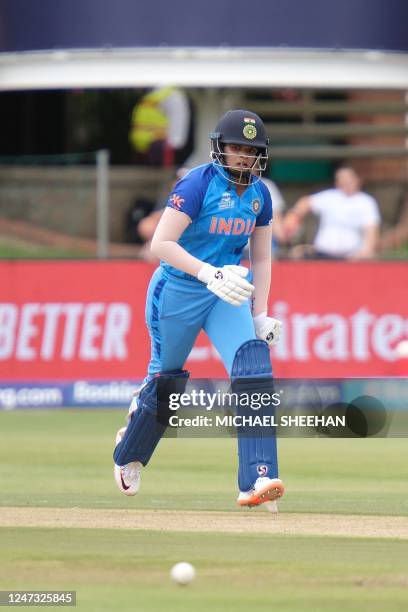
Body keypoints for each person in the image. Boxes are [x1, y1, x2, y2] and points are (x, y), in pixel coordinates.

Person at [113, 109, 285, 512]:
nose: (244, 156)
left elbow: (261, 259)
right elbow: (161, 244)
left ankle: (257, 478)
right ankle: (130, 451)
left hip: (227, 295)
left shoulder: (260, 195)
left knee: (254, 369)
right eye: (237, 148)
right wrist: (209, 273)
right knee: (167, 383)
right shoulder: (197, 184)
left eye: (251, 150)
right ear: (220, 149)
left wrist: (259, 312)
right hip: (178, 289)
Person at [282, 166, 381, 260]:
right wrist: (293, 216)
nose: (346, 182)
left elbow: (371, 231)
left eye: (349, 179)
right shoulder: (330, 196)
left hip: (351, 257)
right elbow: (305, 203)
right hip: (322, 255)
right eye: (342, 179)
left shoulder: (366, 202)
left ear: (357, 180)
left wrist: (366, 251)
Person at [129, 87, 192, 167]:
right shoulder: (156, 94)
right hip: (145, 147)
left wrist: (173, 145)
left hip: (155, 146)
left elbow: (178, 121)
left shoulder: (169, 95)